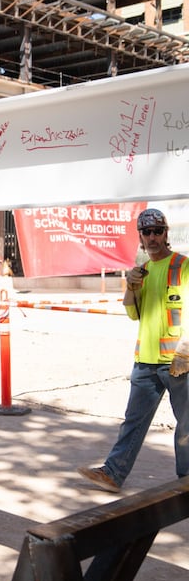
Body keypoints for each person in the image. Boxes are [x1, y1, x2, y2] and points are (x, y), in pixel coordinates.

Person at [78, 208, 189, 493]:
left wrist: (185, 351)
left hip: (179, 362)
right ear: (140, 236)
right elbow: (133, 314)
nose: (152, 237)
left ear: (166, 233)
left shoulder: (183, 266)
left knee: (187, 426)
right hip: (146, 362)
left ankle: (186, 481)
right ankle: (113, 473)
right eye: (146, 232)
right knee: (133, 422)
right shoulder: (143, 272)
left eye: (157, 231)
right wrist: (131, 285)